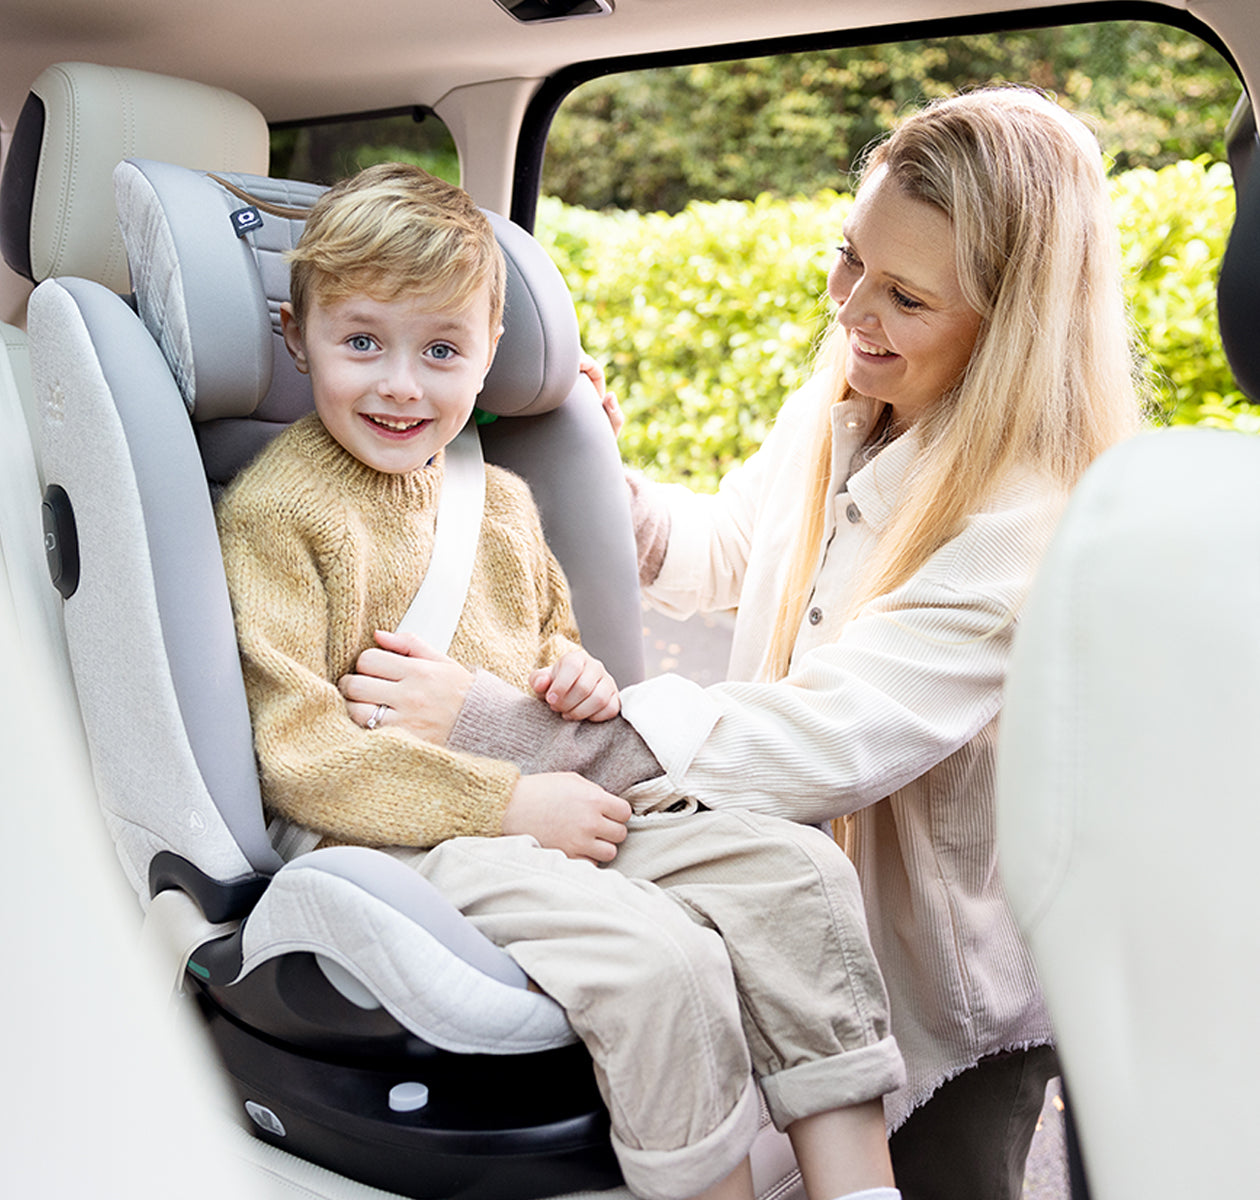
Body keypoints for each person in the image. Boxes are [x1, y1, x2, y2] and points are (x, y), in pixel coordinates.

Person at [348, 88, 1146, 1200]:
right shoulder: (854, 394)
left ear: (1009, 325)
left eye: (905, 296)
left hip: (937, 1003)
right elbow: (723, 545)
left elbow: (819, 740)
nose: (851, 309)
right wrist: (596, 480)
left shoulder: (1028, 525)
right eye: (848, 259)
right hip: (798, 937)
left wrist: (492, 724)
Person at [215, 161, 906, 1200]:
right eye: (361, 342)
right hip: (397, 832)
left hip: (542, 800)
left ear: (491, 354)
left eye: (441, 350)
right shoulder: (277, 515)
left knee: (797, 874)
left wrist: (572, 680)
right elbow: (299, 754)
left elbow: (543, 644)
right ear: (294, 338)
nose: (402, 383)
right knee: (657, 960)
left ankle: (858, 1188)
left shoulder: (492, 501)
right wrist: (508, 802)